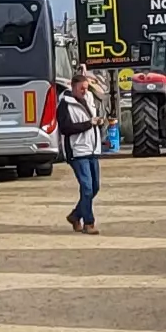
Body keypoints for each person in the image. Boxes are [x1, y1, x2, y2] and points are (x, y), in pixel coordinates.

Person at [56, 71, 105, 234]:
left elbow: (101, 94)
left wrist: (98, 123)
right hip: (77, 151)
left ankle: (75, 215)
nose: (85, 91)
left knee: (95, 187)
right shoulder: (64, 104)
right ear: (72, 86)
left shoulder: (89, 99)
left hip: (92, 149)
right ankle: (88, 223)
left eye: (86, 88)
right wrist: (88, 124)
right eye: (81, 88)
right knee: (87, 187)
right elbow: (65, 128)